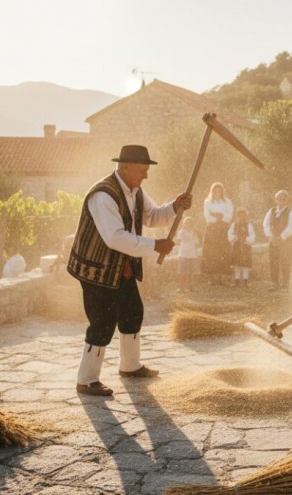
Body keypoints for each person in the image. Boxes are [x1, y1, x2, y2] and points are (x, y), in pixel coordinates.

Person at [68, 144, 192, 396]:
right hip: (97, 269)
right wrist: (156, 245)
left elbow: (153, 217)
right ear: (125, 167)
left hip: (121, 268)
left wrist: (175, 206)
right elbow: (115, 238)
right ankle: (87, 379)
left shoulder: (135, 191)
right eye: (143, 170)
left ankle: (130, 366)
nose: (146, 176)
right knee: (102, 322)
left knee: (132, 312)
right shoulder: (103, 196)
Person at [263, 190, 292, 292]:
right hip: (273, 240)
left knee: (285, 262)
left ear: (287, 200)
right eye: (279, 199)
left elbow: (291, 227)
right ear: (276, 200)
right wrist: (270, 236)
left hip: (286, 241)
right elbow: (266, 224)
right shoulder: (272, 211)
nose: (281, 201)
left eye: (283, 199)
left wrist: (281, 237)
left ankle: (285, 285)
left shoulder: (291, 212)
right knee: (274, 262)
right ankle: (275, 284)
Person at [201, 182, 233, 285]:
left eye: (219, 191)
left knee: (222, 251)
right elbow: (207, 217)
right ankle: (212, 278)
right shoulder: (208, 202)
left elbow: (229, 215)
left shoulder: (227, 202)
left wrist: (220, 216)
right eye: (215, 191)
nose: (217, 193)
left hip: (223, 228)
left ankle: (221, 277)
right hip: (212, 229)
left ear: (222, 192)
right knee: (211, 252)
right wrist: (217, 217)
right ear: (212, 191)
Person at [228, 207, 256, 287]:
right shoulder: (234, 225)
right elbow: (230, 234)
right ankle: (236, 280)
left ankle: (246, 280)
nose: (241, 218)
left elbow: (252, 235)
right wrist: (235, 237)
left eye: (243, 216)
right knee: (237, 264)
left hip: (245, 246)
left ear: (246, 216)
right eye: (239, 216)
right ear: (237, 217)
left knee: (245, 264)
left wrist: (246, 239)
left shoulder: (249, 225)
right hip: (236, 246)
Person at [174, 216, 200, 292]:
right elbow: (178, 241)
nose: (188, 225)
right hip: (183, 254)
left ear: (192, 224)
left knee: (192, 272)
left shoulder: (194, 232)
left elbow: (197, 243)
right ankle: (181, 287)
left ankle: (192, 287)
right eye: (186, 223)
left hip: (192, 254)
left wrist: (194, 235)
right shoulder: (181, 232)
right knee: (182, 271)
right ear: (184, 224)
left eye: (189, 223)